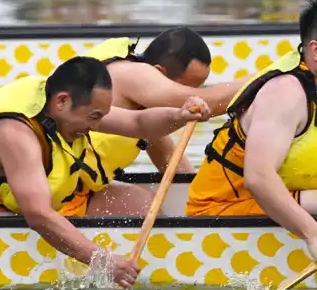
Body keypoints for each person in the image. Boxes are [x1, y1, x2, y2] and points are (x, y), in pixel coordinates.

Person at [0, 55, 211, 289]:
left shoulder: (64, 104)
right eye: (93, 117)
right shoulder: (15, 133)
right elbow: (38, 216)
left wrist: (180, 115)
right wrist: (104, 261)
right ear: (62, 102)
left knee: (139, 201)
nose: (96, 127)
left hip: (8, 205)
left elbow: (138, 124)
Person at [60, 30, 250, 216]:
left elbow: (167, 157)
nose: (192, 96)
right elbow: (207, 103)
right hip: (58, 194)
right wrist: (261, 79)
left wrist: (197, 200)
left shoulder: (142, 108)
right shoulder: (131, 73)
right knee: (143, 207)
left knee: (143, 203)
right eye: (186, 88)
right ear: (159, 71)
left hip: (79, 189)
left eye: (198, 88)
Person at [186, 0, 317, 262]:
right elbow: (257, 178)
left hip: (284, 199)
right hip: (222, 210)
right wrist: (311, 234)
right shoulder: (285, 93)